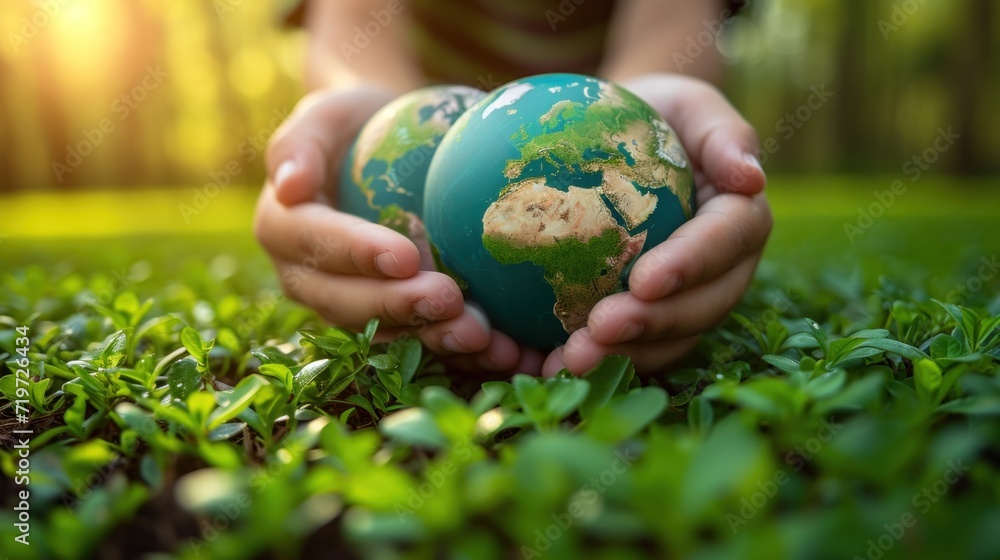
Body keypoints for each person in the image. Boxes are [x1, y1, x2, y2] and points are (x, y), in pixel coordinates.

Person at [254, 0, 773, 376]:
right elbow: (351, 28)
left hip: (588, 113)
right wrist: (373, 118)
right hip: (438, 125)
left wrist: (642, 113)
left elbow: (675, 20)